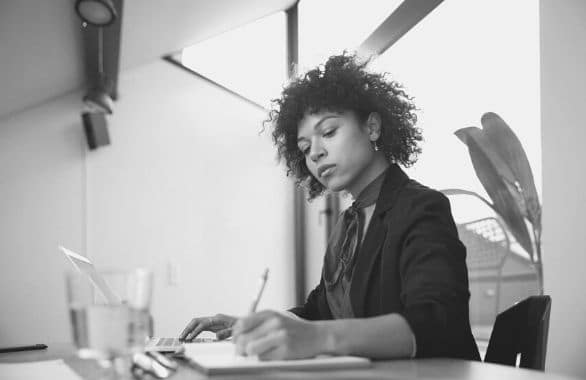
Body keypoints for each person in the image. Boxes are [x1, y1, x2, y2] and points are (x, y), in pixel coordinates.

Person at [179, 52, 480, 361]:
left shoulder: (421, 207)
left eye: (329, 132)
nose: (316, 154)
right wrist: (253, 327)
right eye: (305, 148)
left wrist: (318, 337)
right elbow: (318, 311)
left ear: (372, 127)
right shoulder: (348, 225)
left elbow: (435, 321)